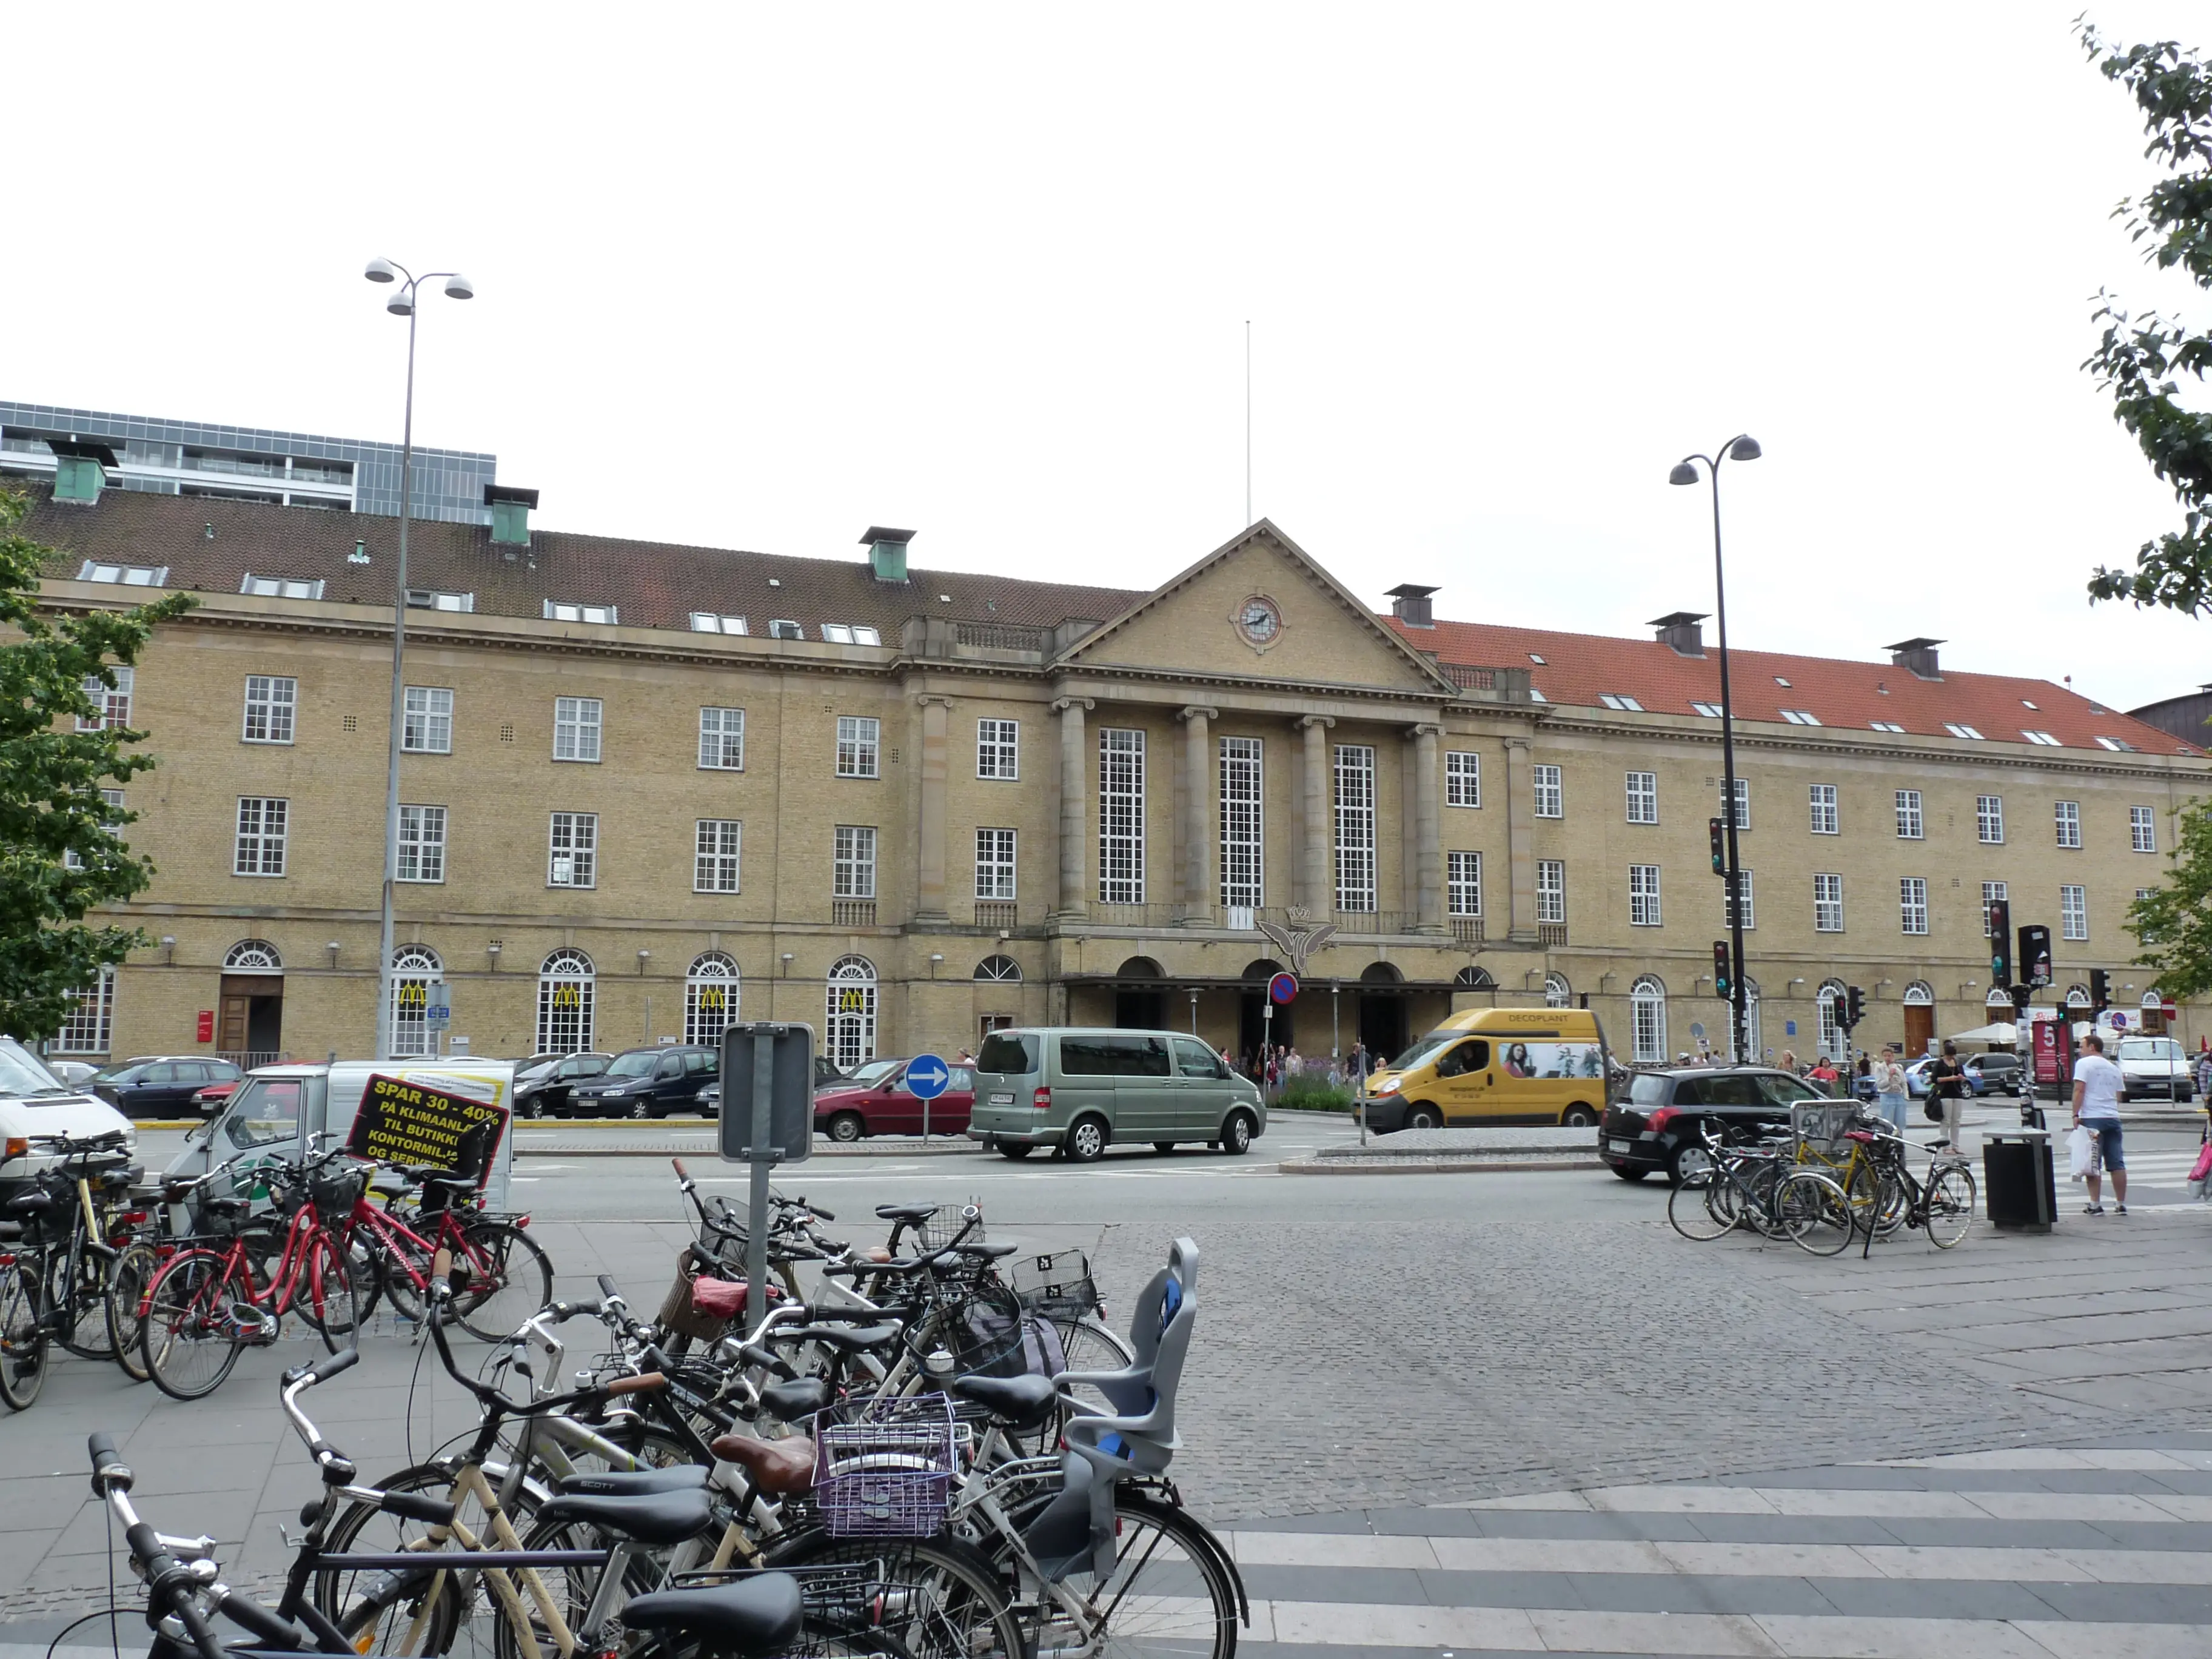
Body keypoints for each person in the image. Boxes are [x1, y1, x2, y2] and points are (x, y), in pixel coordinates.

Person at [2073, 1031, 2128, 1216]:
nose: (2080, 1051)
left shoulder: (2084, 1064)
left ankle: (2095, 1205)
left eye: (2082, 1047)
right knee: (2117, 1163)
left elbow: (2079, 1089)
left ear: (2092, 1047)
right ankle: (2120, 1204)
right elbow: (2119, 1095)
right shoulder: (2113, 1068)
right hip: (2112, 1118)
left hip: (2091, 1118)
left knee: (2092, 1164)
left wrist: (2075, 1113)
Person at [1927, 1039, 1969, 1148]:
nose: (1951, 1058)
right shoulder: (1939, 1063)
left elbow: (1963, 1077)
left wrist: (1961, 1078)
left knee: (1956, 1121)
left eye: (1953, 1056)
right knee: (1946, 1121)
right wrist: (1949, 1078)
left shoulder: (1957, 1062)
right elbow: (1935, 1079)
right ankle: (1945, 1147)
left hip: (1957, 1093)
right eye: (1949, 1056)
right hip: (1944, 1093)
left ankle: (1955, 1146)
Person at [1871, 1045, 1909, 1133]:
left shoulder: (1899, 1067)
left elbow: (1904, 1082)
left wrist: (1906, 1097)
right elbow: (1880, 1084)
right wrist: (1889, 1077)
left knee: (1900, 1122)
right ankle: (1889, 1141)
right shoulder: (1880, 1068)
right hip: (1887, 1095)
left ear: (1893, 1056)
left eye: (1889, 1056)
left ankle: (1899, 1141)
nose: (1887, 1058)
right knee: (1888, 1122)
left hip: (1899, 1096)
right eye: (1885, 1056)